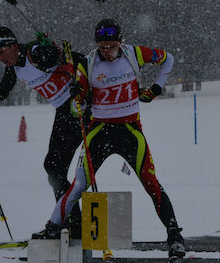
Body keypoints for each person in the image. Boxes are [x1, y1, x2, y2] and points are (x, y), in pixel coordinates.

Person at [31, 19, 185, 260]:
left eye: (112, 46)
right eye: (103, 46)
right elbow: (76, 106)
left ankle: (175, 236)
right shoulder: (89, 63)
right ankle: (52, 228)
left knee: (150, 181)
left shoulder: (135, 54)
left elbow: (169, 59)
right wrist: (77, 97)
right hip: (100, 132)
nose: (108, 52)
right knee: (78, 185)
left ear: (120, 43)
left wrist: (156, 88)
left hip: (130, 132)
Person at [0, 26, 85, 238]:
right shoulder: (14, 66)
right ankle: (71, 223)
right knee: (53, 167)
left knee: (54, 167)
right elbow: (1, 93)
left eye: (2, 52)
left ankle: (70, 224)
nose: (0, 58)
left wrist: (76, 77)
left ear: (14, 45)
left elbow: (79, 60)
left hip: (77, 108)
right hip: (63, 112)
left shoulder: (35, 53)